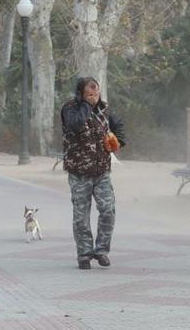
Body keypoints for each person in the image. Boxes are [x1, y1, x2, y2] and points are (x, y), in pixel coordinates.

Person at [60, 77, 126, 270]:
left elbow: (119, 126)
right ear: (80, 94)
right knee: (81, 217)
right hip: (79, 172)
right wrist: (87, 106)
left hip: (102, 171)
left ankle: (101, 251)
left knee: (108, 211)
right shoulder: (70, 108)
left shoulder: (104, 109)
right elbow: (76, 125)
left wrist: (118, 141)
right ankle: (84, 254)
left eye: (96, 94)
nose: (94, 97)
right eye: (90, 94)